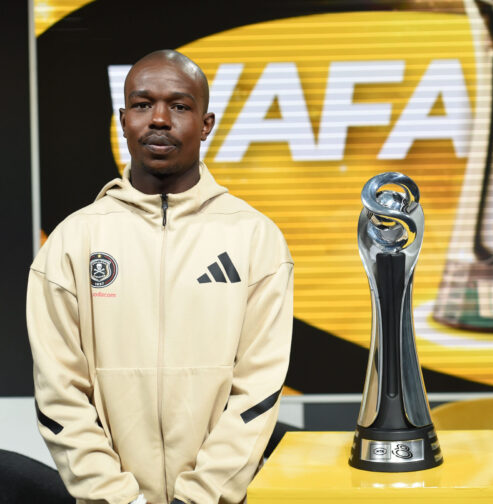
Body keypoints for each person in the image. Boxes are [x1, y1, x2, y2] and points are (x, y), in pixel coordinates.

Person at [26, 50, 293, 504]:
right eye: (143, 104)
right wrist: (118, 499)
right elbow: (59, 394)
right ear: (122, 120)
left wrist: (200, 497)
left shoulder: (255, 238)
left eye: (180, 106)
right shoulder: (73, 241)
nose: (160, 119)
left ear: (206, 124)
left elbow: (259, 389)